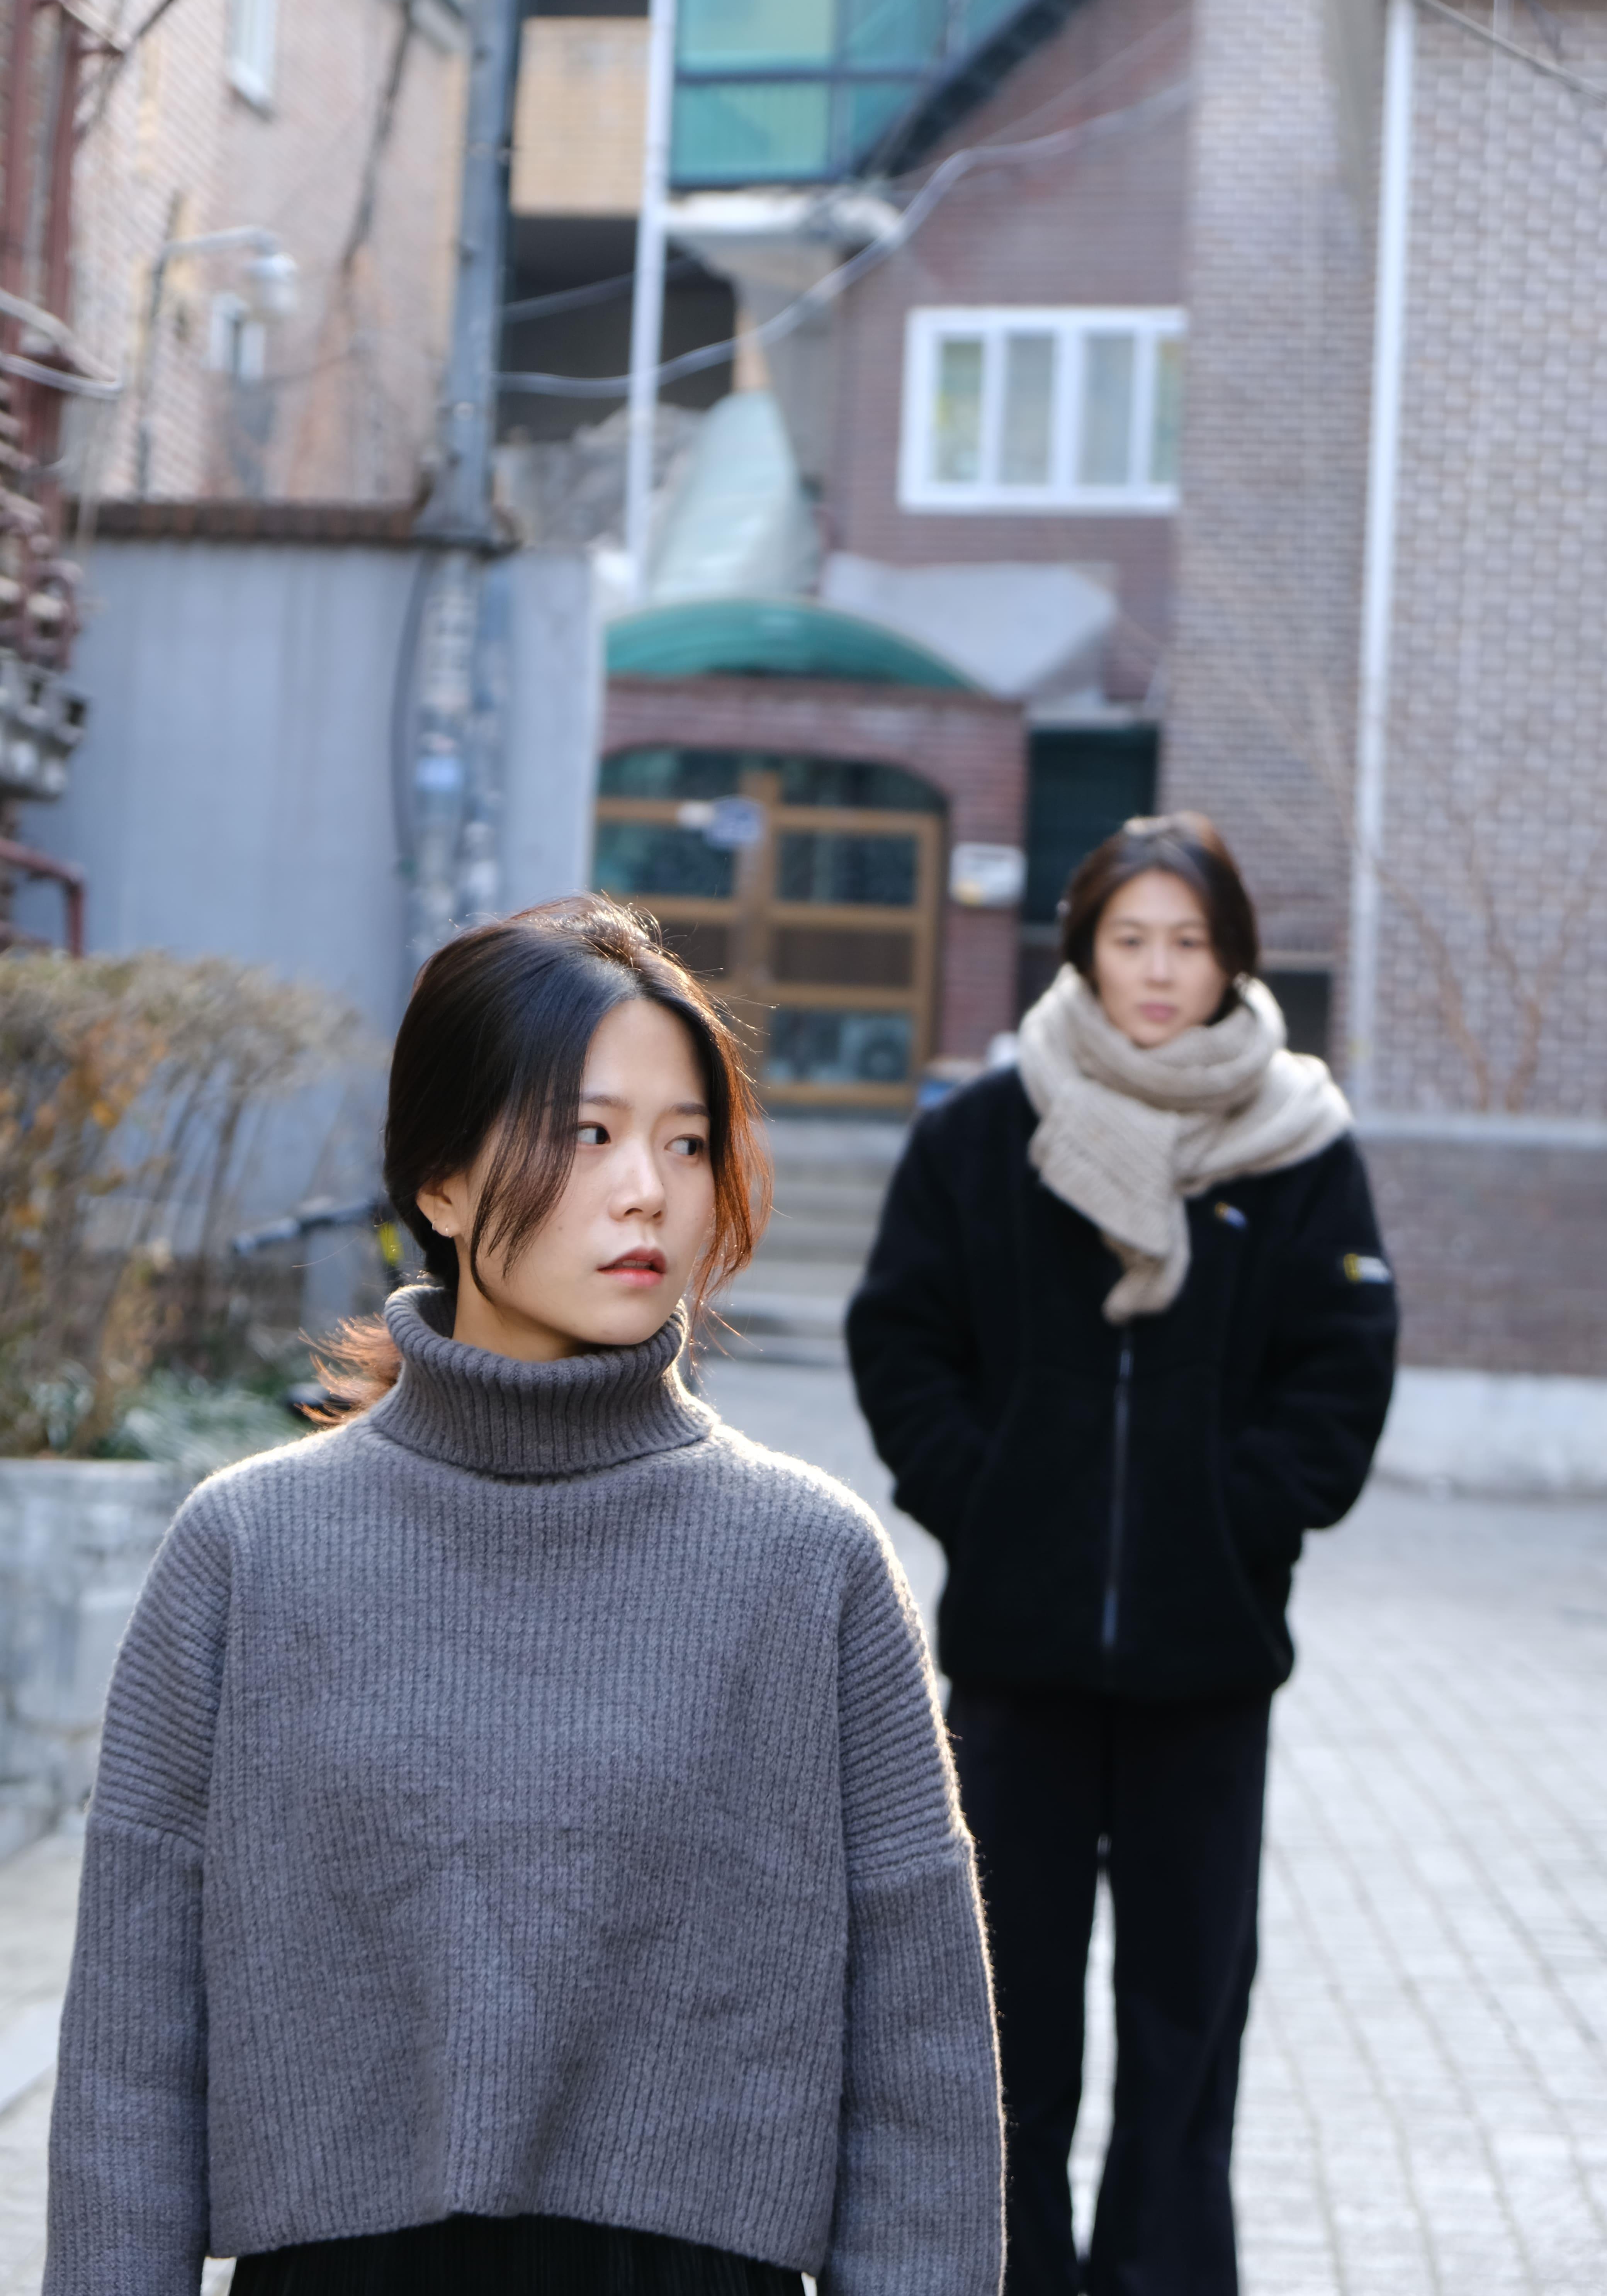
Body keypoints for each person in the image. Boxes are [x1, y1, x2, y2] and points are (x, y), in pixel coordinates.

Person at [46, 896, 1003, 2296]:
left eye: (687, 1142)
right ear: (439, 1183)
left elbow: (920, 2077)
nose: (648, 1191)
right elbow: (133, 2063)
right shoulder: (250, 1554)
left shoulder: (811, 1564)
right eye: (588, 1133)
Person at [847, 815, 1397, 2296]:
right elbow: (901, 1337)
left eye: (1189, 944)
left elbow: (1345, 1369)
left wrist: (1238, 1516)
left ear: (1234, 960)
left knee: (1185, 2022)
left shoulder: (1298, 1145)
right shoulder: (986, 1131)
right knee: (1006, 2014)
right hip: (1015, 1665)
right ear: (1085, 946)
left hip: (1207, 1665)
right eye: (1131, 939)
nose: (1158, 972)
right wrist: (989, 1499)